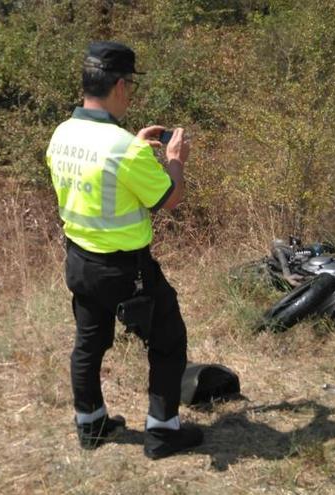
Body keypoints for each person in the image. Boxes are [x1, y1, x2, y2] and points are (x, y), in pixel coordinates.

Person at [45, 40, 203, 459]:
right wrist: (174, 160)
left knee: (89, 343)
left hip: (79, 261)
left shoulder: (62, 134)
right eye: (130, 84)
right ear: (118, 85)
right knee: (168, 339)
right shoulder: (126, 149)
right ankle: (163, 433)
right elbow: (169, 199)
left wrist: (132, 143)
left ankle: (91, 425)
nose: (131, 93)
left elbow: (99, 174)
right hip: (127, 271)